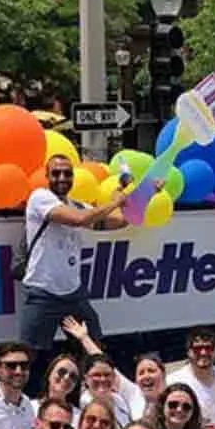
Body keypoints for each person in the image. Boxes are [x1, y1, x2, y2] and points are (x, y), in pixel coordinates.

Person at [19, 154, 130, 363]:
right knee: (28, 359)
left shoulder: (76, 205)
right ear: (47, 177)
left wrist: (139, 193)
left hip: (73, 294)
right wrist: (116, 202)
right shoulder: (40, 197)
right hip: (42, 292)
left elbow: (119, 221)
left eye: (67, 173)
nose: (62, 178)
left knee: (94, 350)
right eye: (56, 173)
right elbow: (79, 220)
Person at [168, 327, 215, 429]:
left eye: (208, 348)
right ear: (188, 351)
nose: (203, 352)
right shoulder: (174, 381)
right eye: (197, 348)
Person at [81, 353, 134, 426]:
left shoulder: (119, 400)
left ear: (114, 377)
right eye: (97, 375)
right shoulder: (82, 406)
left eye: (107, 375)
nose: (103, 379)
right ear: (86, 378)